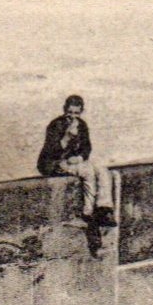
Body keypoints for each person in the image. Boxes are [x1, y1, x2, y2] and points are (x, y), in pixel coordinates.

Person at [36, 95, 115, 228]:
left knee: (102, 169)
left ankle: (104, 208)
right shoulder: (55, 124)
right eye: (70, 112)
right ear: (64, 109)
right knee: (88, 171)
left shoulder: (82, 125)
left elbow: (87, 147)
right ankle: (88, 212)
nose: (73, 116)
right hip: (53, 163)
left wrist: (79, 158)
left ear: (81, 111)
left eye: (76, 113)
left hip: (73, 162)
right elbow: (51, 151)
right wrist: (66, 137)